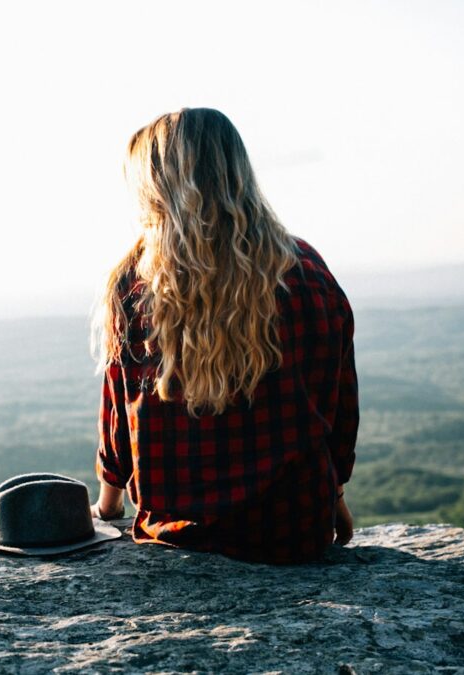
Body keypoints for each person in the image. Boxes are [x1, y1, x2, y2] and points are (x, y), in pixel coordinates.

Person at [90, 107, 358, 564]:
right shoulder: (306, 271)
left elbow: (120, 423)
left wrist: (107, 509)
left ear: (155, 190)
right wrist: (333, 501)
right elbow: (333, 407)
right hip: (293, 532)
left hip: (177, 538)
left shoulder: (135, 282)